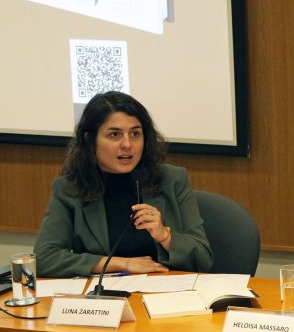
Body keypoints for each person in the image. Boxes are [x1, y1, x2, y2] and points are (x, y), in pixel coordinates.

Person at [34, 91, 212, 278]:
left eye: (135, 134)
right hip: (104, 294)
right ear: (90, 140)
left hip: (167, 290)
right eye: (114, 134)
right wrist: (121, 263)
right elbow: (44, 258)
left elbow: (203, 258)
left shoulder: (172, 180)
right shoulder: (71, 189)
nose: (127, 144)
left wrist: (164, 236)